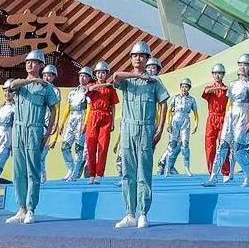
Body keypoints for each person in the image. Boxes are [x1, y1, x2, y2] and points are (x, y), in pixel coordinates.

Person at [111, 45, 171, 228]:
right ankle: (130, 214)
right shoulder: (127, 80)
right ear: (131, 58)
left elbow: (164, 104)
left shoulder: (154, 81)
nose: (138, 59)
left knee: (144, 172)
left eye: (142, 56)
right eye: (135, 56)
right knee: (127, 173)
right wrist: (137, 76)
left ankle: (143, 213)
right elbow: (115, 77)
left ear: (147, 59)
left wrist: (160, 129)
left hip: (146, 129)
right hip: (128, 129)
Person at [5, 52, 60, 224]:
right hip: (18, 129)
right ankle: (20, 208)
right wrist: (32, 80)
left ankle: (30, 209)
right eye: (28, 62)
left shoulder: (46, 88)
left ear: (41, 65)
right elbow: (12, 85)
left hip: (35, 129)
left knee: (32, 171)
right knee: (18, 171)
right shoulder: (20, 84)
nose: (29, 65)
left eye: (34, 62)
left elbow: (53, 109)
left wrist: (48, 132)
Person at [206, 53, 249, 187]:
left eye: (245, 65)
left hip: (243, 115)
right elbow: (229, 102)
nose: (242, 67)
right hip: (230, 116)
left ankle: (248, 176)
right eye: (240, 65)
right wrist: (226, 118)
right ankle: (213, 177)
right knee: (222, 146)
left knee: (238, 149)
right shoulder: (232, 84)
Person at [84, 61, 119, 183]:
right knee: (91, 146)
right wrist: (104, 84)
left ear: (106, 74)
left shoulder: (110, 89)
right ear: (95, 74)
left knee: (103, 147)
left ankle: (99, 174)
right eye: (98, 73)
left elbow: (113, 105)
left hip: (106, 116)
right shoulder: (92, 85)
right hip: (93, 115)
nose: (100, 75)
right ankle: (91, 174)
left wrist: (113, 121)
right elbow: (89, 89)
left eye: (102, 73)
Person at [157, 78, 198, 176]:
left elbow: (195, 113)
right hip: (175, 120)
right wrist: (168, 124)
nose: (184, 89)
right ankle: (167, 168)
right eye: (182, 87)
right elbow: (169, 111)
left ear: (189, 88)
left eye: (186, 87)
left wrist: (196, 125)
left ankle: (187, 168)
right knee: (172, 144)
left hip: (185, 121)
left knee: (185, 144)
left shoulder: (191, 100)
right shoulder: (175, 98)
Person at [200, 64, 231, 181]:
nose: (217, 75)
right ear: (212, 75)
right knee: (210, 146)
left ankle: (225, 172)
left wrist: (225, 89)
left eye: (220, 73)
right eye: (215, 73)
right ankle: (212, 172)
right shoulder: (209, 89)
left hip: (223, 118)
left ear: (223, 75)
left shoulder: (227, 89)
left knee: (223, 145)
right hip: (212, 118)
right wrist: (218, 88)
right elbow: (206, 91)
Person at [60, 68, 92, 181]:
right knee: (64, 147)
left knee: (79, 148)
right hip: (71, 120)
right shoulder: (73, 92)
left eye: (85, 76)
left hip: (81, 119)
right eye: (81, 76)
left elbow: (89, 109)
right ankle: (71, 168)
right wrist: (62, 122)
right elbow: (67, 108)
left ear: (89, 78)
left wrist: (85, 124)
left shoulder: (88, 93)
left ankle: (76, 173)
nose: (82, 78)